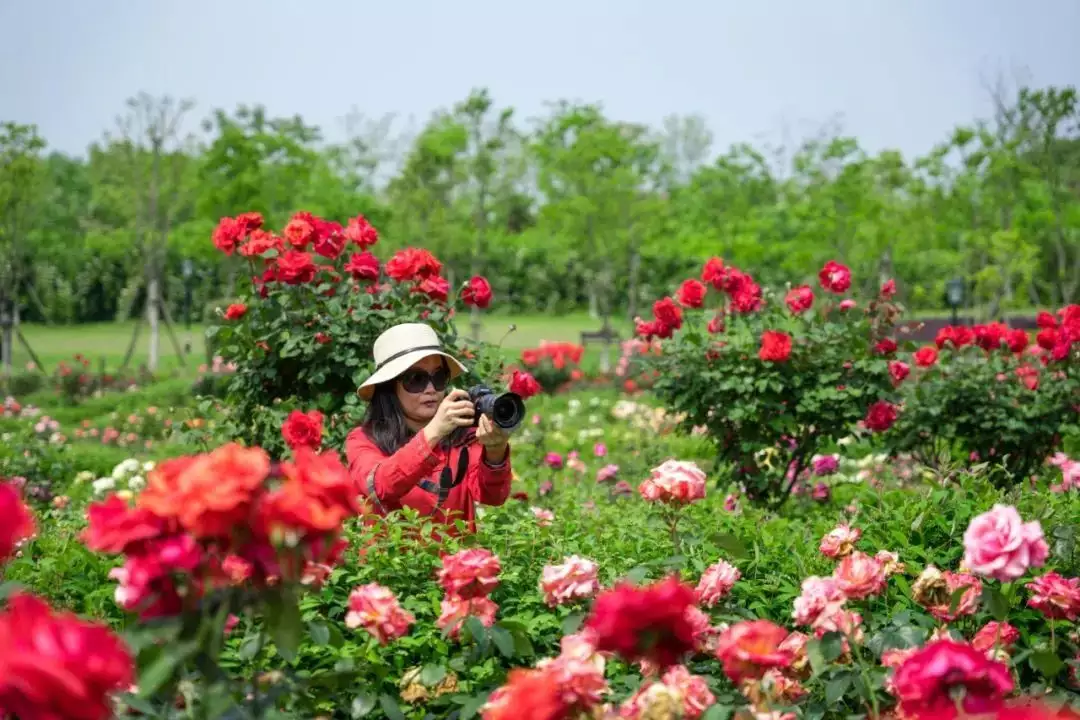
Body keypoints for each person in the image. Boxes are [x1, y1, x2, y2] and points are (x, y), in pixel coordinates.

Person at [346, 322, 512, 534]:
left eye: (439, 377)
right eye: (416, 379)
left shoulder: (464, 437)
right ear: (388, 387)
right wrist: (434, 432)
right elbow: (379, 487)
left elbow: (493, 497)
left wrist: (496, 451)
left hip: (454, 566)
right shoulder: (363, 440)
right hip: (389, 564)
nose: (431, 389)